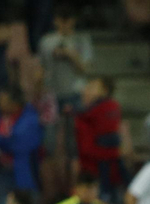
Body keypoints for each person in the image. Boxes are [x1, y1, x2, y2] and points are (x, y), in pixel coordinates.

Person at [39, 6, 91, 157]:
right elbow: (42, 69)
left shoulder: (82, 40)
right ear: (56, 21)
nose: (65, 25)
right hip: (51, 93)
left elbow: (85, 70)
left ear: (73, 21)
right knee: (49, 139)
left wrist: (71, 55)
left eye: (67, 21)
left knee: (74, 140)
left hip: (75, 92)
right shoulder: (46, 41)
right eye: (61, 21)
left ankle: (76, 171)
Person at [0, 84, 42, 204]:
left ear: (14, 102)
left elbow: (20, 145)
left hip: (24, 174)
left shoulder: (29, 118)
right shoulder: (0, 117)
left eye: (3, 100)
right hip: (1, 172)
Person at [75, 75, 124, 204]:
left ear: (105, 91)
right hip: (94, 171)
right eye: (88, 87)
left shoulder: (105, 108)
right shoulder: (87, 116)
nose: (87, 91)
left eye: (92, 88)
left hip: (102, 169)